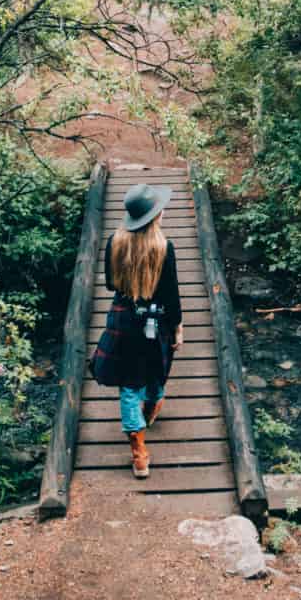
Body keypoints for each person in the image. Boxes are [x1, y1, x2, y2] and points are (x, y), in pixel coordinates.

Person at [88, 182, 183, 478]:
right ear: (154, 216)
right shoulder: (165, 248)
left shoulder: (114, 242)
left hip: (124, 319)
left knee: (129, 384)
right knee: (157, 366)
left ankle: (139, 454)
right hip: (158, 320)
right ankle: (153, 403)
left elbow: (110, 284)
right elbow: (171, 294)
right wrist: (177, 327)